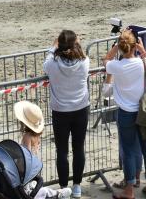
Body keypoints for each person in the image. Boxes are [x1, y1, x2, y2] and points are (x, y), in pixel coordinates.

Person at [103, 30, 146, 199]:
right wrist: (143, 52)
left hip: (126, 112)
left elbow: (106, 60)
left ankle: (129, 190)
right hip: (144, 110)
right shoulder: (144, 62)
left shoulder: (117, 66)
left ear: (121, 47)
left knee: (129, 150)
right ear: (135, 45)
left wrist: (116, 47)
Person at [43, 30, 90, 198]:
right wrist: (77, 43)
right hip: (80, 109)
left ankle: (64, 186)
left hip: (61, 111)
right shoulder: (84, 62)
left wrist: (53, 46)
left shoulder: (52, 64)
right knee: (78, 148)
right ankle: (76, 186)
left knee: (62, 150)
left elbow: (47, 60)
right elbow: (82, 54)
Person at [14, 102, 70, 199]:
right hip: (33, 170)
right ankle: (58, 193)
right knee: (37, 188)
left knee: (38, 190)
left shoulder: (27, 136)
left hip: (26, 170)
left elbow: (26, 156)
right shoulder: (36, 136)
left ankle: (57, 194)